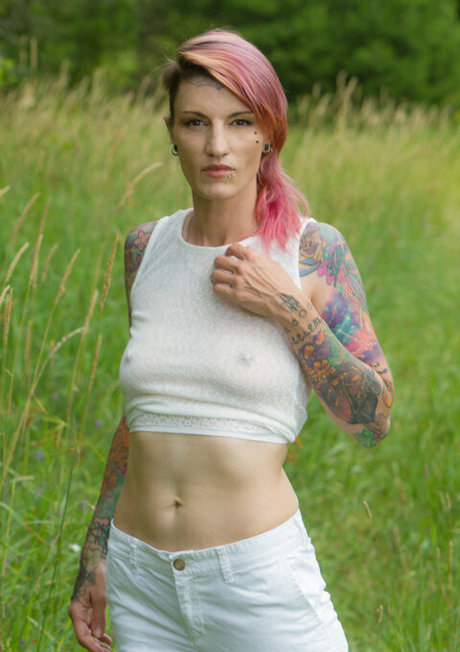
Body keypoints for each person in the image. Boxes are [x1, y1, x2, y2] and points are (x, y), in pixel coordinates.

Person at [68, 29, 394, 652]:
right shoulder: (146, 248)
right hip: (140, 582)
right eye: (196, 122)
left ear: (268, 132)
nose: (217, 145)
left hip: (256, 582)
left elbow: (373, 421)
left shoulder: (310, 251)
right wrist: (96, 553)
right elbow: (142, 414)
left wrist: (288, 310)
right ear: (171, 132)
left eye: (239, 122)